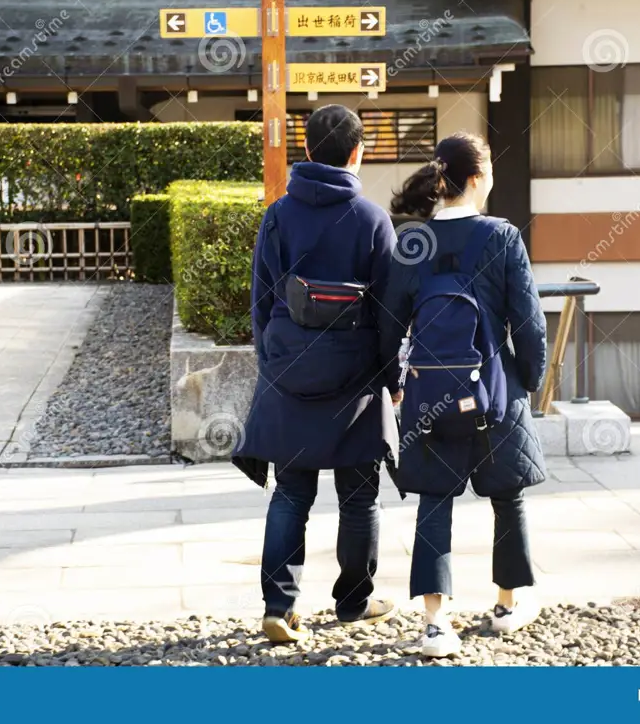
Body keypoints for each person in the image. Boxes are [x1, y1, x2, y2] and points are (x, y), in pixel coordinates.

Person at [233, 105, 403, 643]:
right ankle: (354, 602)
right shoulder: (373, 219)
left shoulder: (279, 215)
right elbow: (390, 312)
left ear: (306, 151)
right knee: (359, 496)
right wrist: (390, 378)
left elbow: (261, 300)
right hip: (354, 376)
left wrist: (273, 362)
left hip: (291, 371)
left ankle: (279, 608)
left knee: (290, 493)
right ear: (358, 153)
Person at [380, 132, 548, 658]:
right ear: (475, 178)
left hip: (431, 398)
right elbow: (530, 325)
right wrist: (528, 380)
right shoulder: (501, 237)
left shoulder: (412, 241)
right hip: (495, 392)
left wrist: (395, 386)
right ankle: (506, 605)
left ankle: (435, 623)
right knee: (507, 495)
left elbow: (387, 327)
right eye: (490, 169)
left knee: (434, 500)